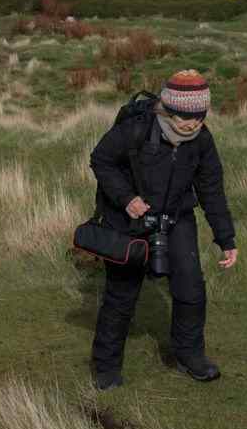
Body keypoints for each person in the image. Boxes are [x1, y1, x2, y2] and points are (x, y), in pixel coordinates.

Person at [86, 70, 237, 391]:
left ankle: (189, 356)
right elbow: (100, 159)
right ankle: (106, 368)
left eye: (199, 116)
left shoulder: (202, 141)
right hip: (128, 220)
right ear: (167, 109)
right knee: (121, 295)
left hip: (177, 218)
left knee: (191, 289)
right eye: (185, 115)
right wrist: (126, 199)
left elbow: (212, 190)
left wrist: (226, 239)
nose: (192, 123)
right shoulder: (136, 129)